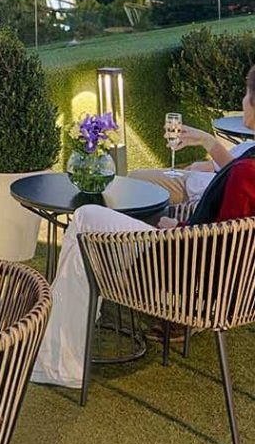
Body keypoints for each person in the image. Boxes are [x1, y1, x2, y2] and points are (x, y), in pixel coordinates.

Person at [32, 70, 255, 389]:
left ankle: (58, 361)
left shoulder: (247, 174)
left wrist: (174, 229)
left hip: (183, 274)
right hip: (192, 261)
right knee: (91, 245)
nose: (243, 102)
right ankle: (58, 352)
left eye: (247, 95)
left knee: (84, 220)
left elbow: (221, 250)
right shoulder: (248, 162)